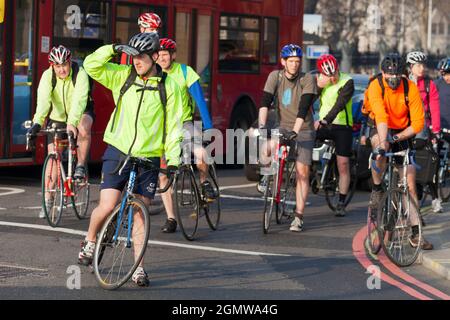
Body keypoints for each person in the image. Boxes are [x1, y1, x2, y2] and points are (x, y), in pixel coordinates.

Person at [77, 32, 183, 286]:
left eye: (142, 57)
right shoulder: (123, 76)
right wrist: (113, 48)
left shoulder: (169, 87)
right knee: (107, 203)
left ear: (156, 57)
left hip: (148, 156)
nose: (136, 61)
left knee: (140, 212)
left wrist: (174, 161)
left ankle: (138, 269)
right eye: (133, 56)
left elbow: (175, 128)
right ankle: (91, 241)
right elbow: (91, 65)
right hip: (118, 150)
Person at [367, 53, 433, 250]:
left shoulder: (410, 88)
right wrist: (384, 142)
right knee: (381, 148)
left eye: (396, 76)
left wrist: (396, 138)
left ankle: (415, 232)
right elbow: (380, 115)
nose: (393, 80)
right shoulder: (375, 85)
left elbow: (418, 123)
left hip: (403, 132)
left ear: (402, 74)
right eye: (389, 76)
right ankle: (378, 188)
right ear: (382, 73)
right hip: (380, 125)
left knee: (410, 183)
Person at [257, 44, 318, 232]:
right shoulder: (275, 76)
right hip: (283, 125)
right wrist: (261, 126)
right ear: (283, 62)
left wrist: (295, 132)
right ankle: (265, 177)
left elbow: (304, 107)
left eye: (297, 62)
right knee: (266, 147)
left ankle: (298, 216)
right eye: (291, 61)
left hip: (304, 128)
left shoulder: (307, 79)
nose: (294, 65)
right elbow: (265, 102)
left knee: (302, 172)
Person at [157, 38, 216, 233]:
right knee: (163, 174)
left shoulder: (184, 71)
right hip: (161, 128)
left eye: (166, 54)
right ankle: (171, 218)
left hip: (184, 123)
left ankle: (204, 182)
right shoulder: (153, 74)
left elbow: (199, 99)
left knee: (199, 152)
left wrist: (208, 127)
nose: (162, 58)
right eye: (159, 55)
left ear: (173, 56)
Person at [27, 45, 94, 218]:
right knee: (52, 162)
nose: (61, 69)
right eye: (57, 66)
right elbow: (43, 102)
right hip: (58, 117)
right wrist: (37, 123)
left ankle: (79, 166)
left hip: (81, 112)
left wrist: (72, 122)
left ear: (70, 62)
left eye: (64, 64)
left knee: (84, 127)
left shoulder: (81, 74)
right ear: (52, 66)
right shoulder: (47, 76)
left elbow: (80, 100)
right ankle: (48, 200)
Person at [314, 54, 355, 217]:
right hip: (323, 123)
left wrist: (325, 120)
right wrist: (317, 86)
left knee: (343, 164)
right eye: (329, 76)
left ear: (338, 69)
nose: (333, 78)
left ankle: (341, 203)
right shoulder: (320, 81)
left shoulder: (347, 81)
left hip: (342, 126)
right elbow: (308, 99)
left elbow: (339, 104)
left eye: (335, 74)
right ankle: (312, 171)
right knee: (304, 141)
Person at [406, 51, 442, 213]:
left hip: (421, 128)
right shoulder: (404, 82)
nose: (422, 68)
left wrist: (435, 131)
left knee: (427, 162)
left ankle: (435, 198)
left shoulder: (429, 85)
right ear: (410, 67)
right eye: (418, 65)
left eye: (423, 65)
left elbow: (434, 109)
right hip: (404, 127)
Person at [436, 58, 450, 132]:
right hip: (441, 128)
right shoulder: (437, 84)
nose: (446, 77)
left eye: (448, 74)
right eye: (443, 74)